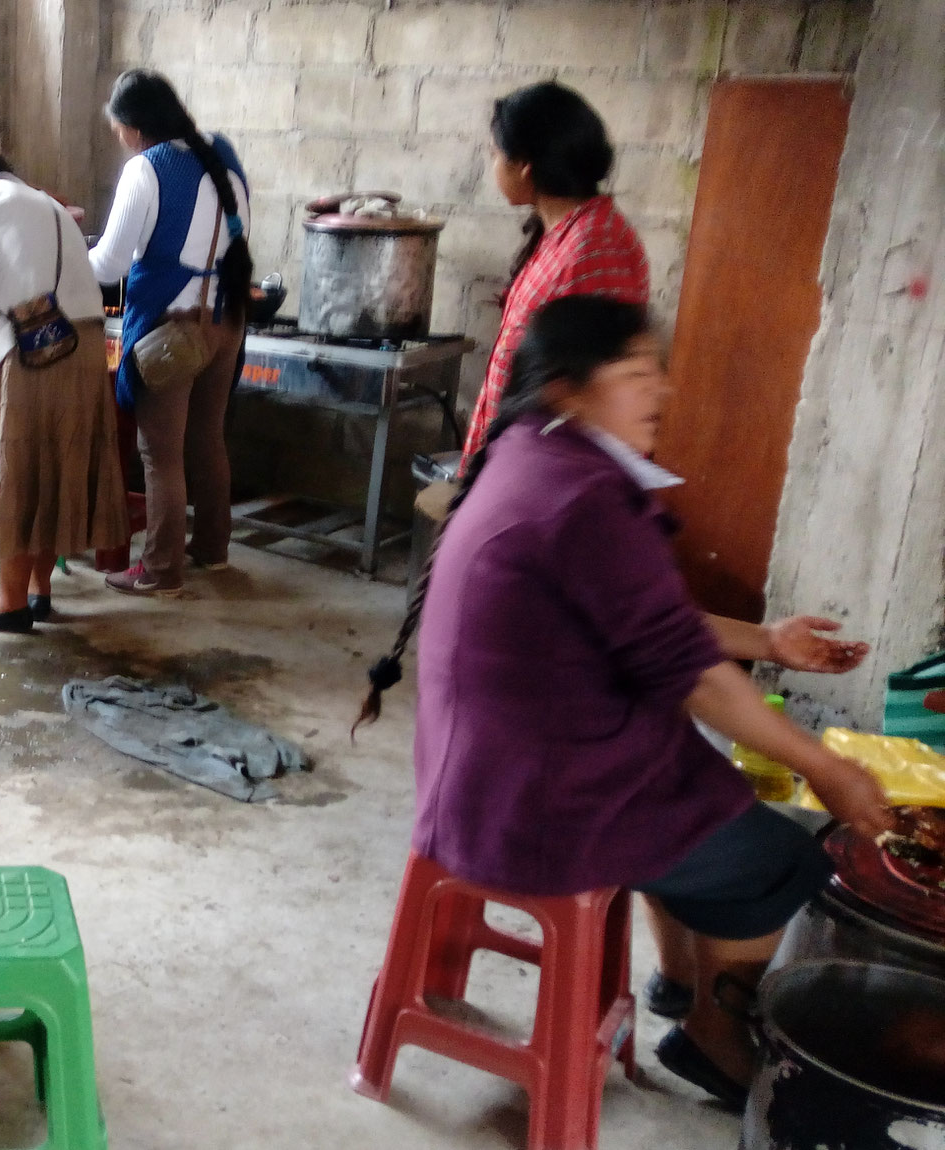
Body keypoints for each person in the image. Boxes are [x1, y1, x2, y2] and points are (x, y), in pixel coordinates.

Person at [357, 296, 894, 1111]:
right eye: (636, 374)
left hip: (489, 776)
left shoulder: (532, 454)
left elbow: (647, 619)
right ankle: (716, 1040)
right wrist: (826, 767)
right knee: (781, 858)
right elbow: (696, 676)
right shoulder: (584, 497)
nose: (659, 393)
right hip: (537, 804)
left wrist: (768, 641)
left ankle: (683, 988)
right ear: (570, 389)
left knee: (700, 778)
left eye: (657, 373)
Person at [0, 138, 130, 632]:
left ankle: (9, 602)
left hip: (29, 348)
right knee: (55, 468)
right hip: (83, 349)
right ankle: (39, 591)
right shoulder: (48, 204)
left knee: (18, 471)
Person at [88, 70, 252, 597]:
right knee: (208, 438)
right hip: (226, 320)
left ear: (135, 129)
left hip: (172, 334)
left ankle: (161, 571)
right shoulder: (220, 153)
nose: (120, 140)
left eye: (118, 130)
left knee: (160, 454)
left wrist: (66, 249)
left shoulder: (146, 169)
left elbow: (109, 264)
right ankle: (212, 549)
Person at [464, 81, 648, 462]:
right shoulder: (568, 233)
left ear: (525, 168)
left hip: (545, 466)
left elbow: (596, 392)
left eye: (496, 153)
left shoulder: (596, 248)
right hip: (517, 457)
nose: (492, 163)